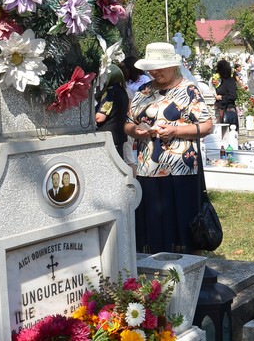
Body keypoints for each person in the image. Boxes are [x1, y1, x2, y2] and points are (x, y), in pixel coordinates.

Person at [124, 42, 214, 254]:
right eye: (153, 68)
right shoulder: (143, 91)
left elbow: (207, 125)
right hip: (148, 169)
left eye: (161, 67)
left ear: (173, 66)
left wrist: (175, 131)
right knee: (154, 222)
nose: (156, 72)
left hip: (181, 169)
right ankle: (156, 267)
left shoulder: (189, 90)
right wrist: (135, 130)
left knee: (182, 222)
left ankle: (187, 267)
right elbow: (127, 123)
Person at [95, 65, 130, 162]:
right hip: (119, 135)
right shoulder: (122, 90)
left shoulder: (110, 92)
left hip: (109, 137)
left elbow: (100, 117)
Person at [213, 59, 239, 128]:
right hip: (220, 110)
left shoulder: (230, 81)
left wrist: (221, 97)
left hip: (228, 110)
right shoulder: (220, 81)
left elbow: (233, 96)